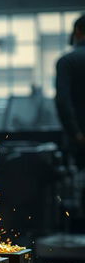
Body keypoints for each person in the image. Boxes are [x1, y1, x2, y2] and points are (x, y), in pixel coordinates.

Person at [55, 14, 85, 169]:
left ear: (78, 31)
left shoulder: (67, 61)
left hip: (80, 137)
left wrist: (75, 133)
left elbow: (62, 101)